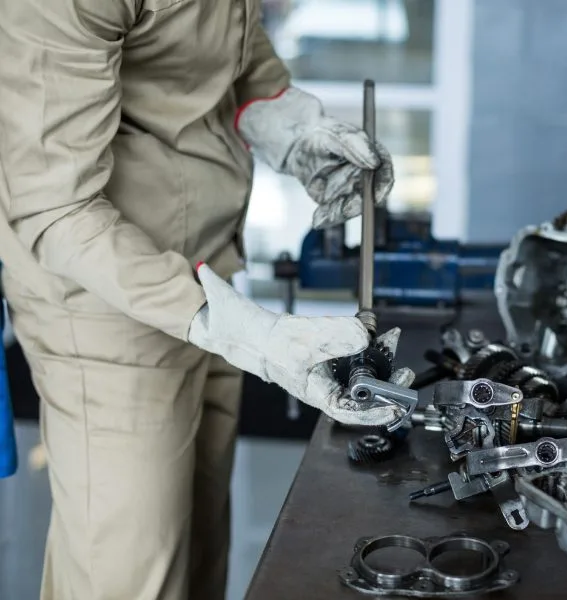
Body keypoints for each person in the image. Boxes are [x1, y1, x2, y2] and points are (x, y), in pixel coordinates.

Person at [0, 1, 411, 598]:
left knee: (197, 556)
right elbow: (54, 207)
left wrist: (290, 128)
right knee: (130, 577)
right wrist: (232, 327)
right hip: (104, 306)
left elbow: (228, 48)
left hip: (210, 274)